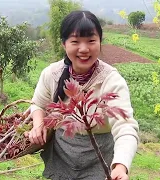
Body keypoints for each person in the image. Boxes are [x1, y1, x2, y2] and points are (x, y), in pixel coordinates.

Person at [27, 10, 139, 180]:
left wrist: (120, 166)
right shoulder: (52, 74)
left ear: (100, 42)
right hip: (62, 154)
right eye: (75, 41)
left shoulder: (112, 81)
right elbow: (38, 105)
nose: (84, 49)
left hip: (100, 158)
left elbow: (125, 126)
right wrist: (38, 124)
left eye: (91, 40)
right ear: (64, 44)